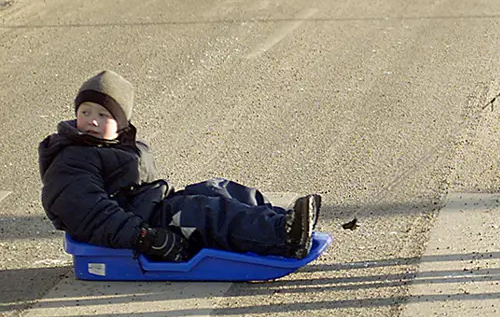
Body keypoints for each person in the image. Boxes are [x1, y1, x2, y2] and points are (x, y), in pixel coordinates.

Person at [39, 70, 322, 262]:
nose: (92, 120)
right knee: (206, 214)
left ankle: (281, 219)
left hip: (151, 209)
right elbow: (89, 211)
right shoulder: (71, 158)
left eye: (103, 115)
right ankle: (282, 237)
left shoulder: (117, 147)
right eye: (85, 112)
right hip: (136, 227)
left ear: (121, 125)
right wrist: (144, 238)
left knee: (216, 189)